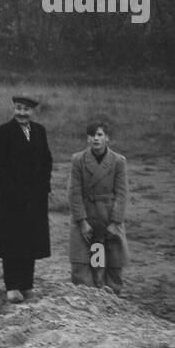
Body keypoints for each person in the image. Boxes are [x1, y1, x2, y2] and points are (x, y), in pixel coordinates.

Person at [0, 95, 54, 303]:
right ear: (14, 109)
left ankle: (27, 284)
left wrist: (42, 188)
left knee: (30, 242)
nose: (22, 113)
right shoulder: (2, 133)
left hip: (35, 198)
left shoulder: (40, 132)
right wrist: (9, 189)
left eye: (26, 109)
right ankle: (12, 286)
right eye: (18, 108)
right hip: (12, 198)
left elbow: (46, 162)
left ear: (33, 112)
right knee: (12, 242)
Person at [68, 120, 128, 293]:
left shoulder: (118, 161)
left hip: (109, 218)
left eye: (100, 135)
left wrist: (115, 222)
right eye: (92, 135)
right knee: (81, 268)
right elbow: (74, 193)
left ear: (107, 138)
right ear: (87, 139)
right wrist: (82, 222)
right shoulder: (78, 160)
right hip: (85, 218)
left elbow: (122, 194)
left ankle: (112, 303)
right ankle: (86, 302)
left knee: (113, 266)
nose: (96, 139)